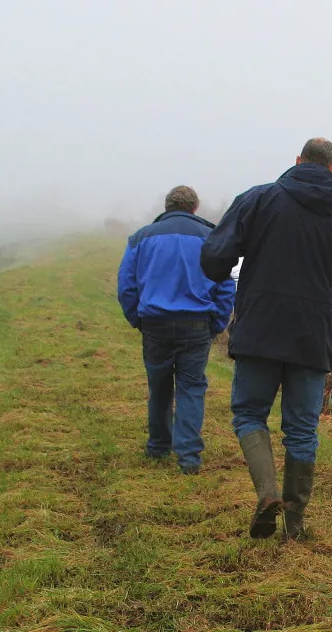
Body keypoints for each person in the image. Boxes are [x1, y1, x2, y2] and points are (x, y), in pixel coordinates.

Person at [201, 138, 332, 539]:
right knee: (302, 430)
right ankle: (295, 524)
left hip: (260, 330)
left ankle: (268, 493)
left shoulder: (259, 200)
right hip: (312, 335)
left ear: (297, 161)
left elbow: (216, 258)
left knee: (250, 414)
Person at [117, 186, 235, 475]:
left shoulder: (142, 237)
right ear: (195, 207)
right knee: (192, 388)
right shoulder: (211, 237)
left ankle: (158, 447)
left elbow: (126, 285)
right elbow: (226, 285)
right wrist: (216, 324)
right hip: (196, 325)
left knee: (159, 387)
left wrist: (138, 320)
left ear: (167, 206)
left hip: (155, 324)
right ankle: (189, 458)